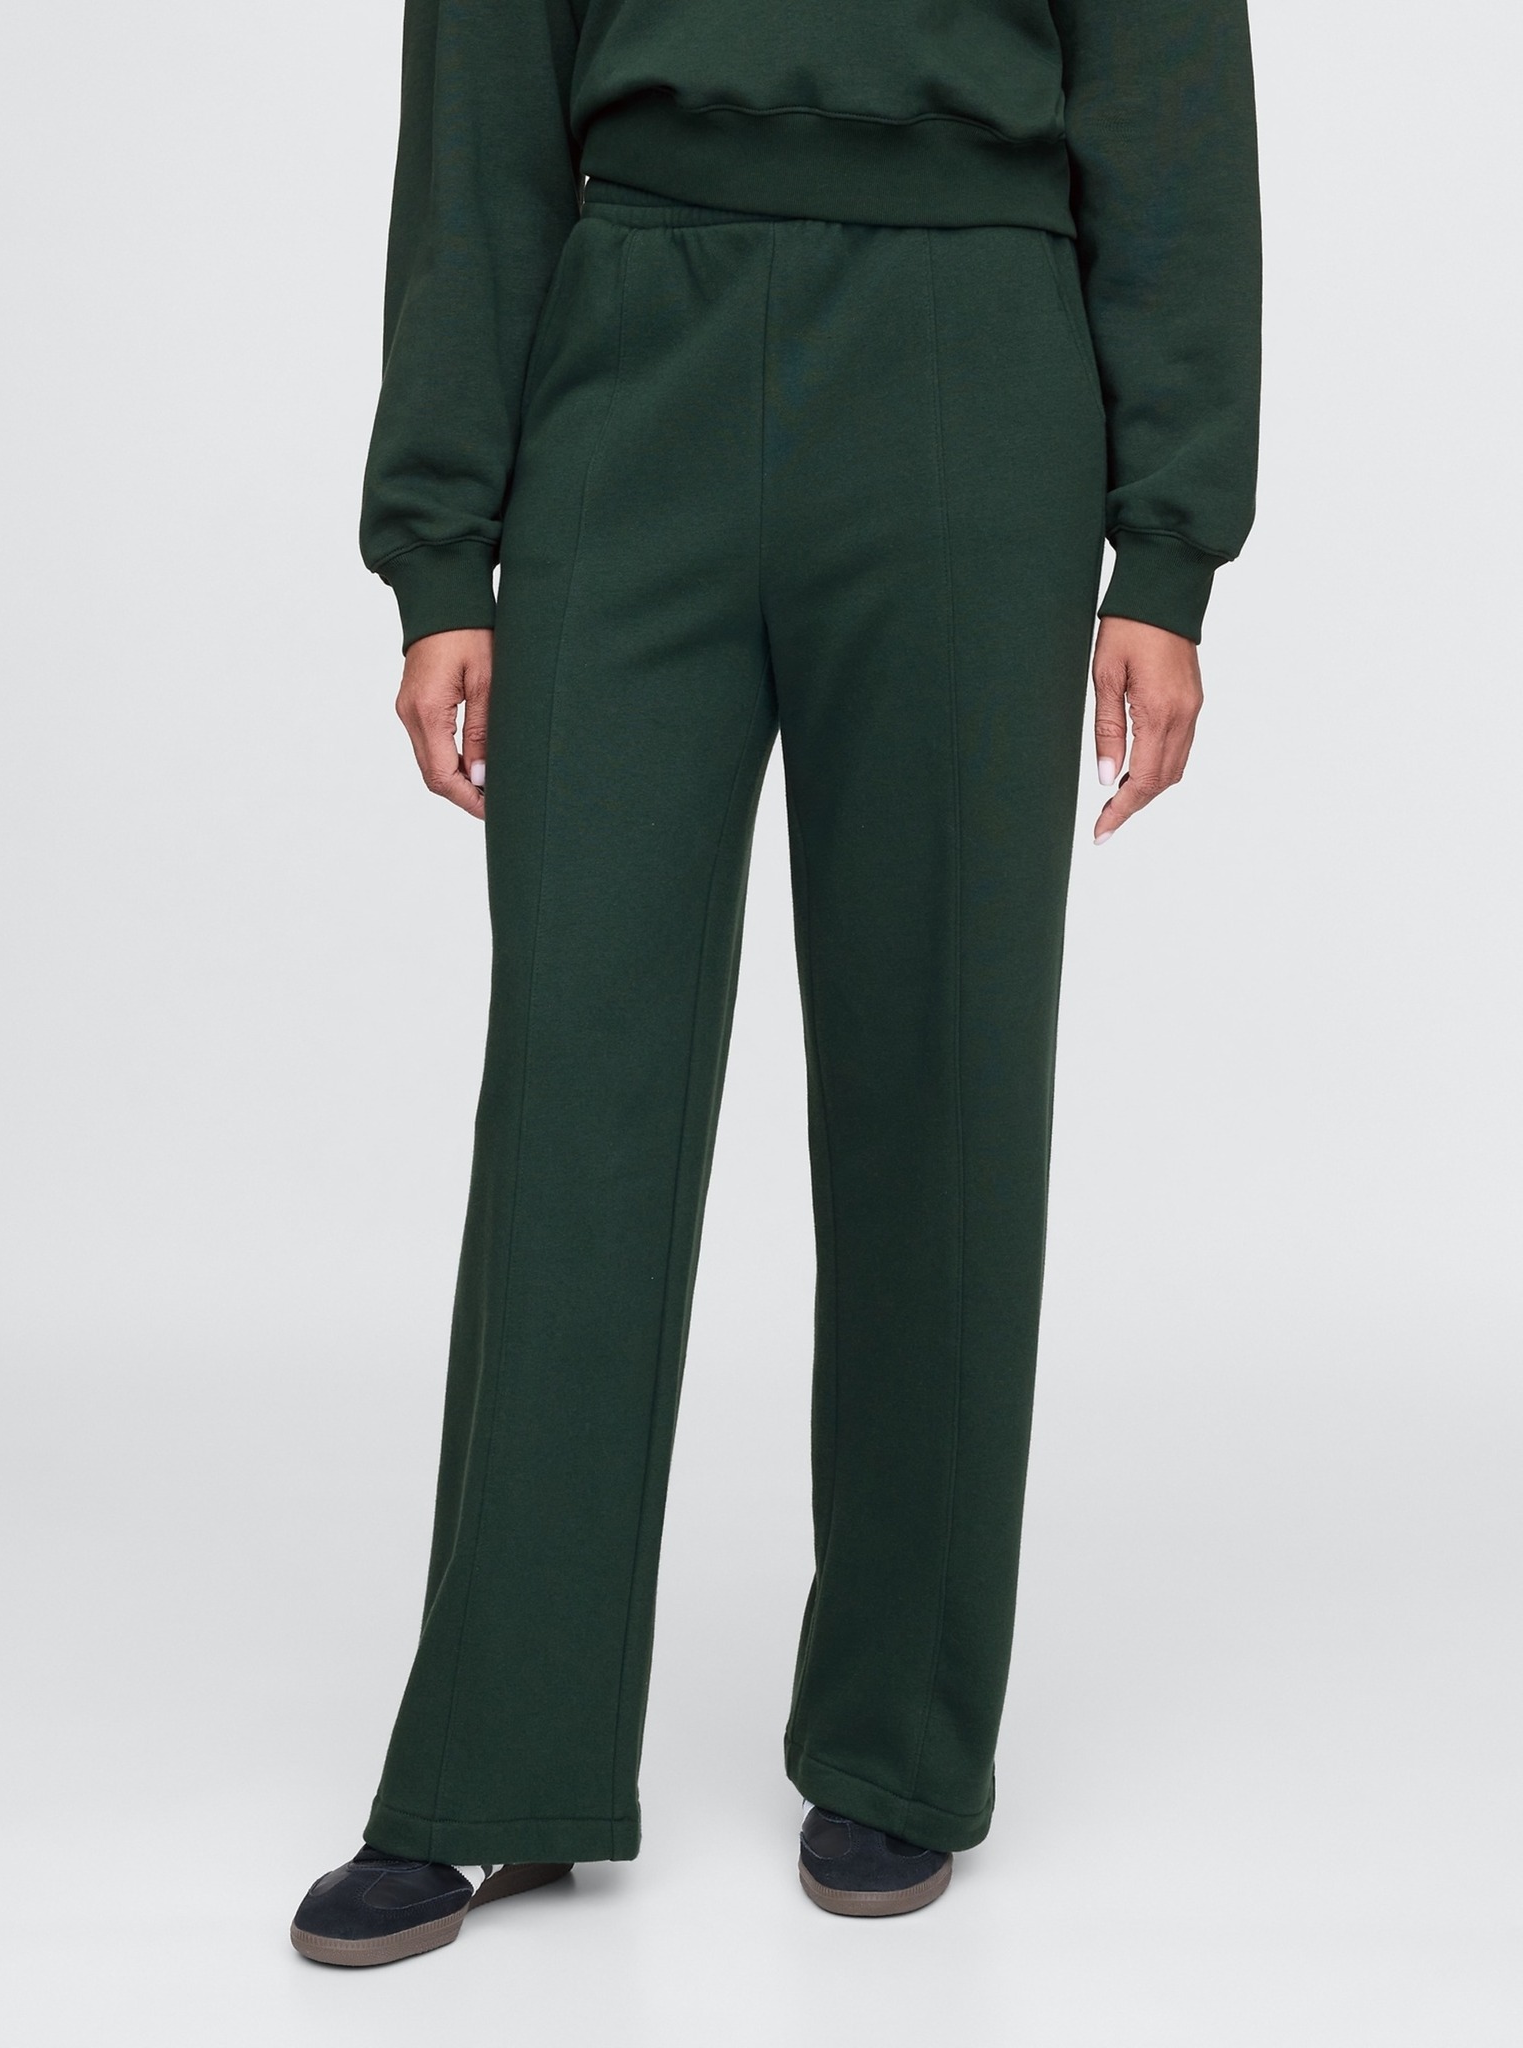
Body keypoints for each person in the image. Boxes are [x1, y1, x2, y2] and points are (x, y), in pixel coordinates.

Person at [290, 0, 1260, 1967]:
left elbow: (1172, 114)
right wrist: (441, 551)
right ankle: (494, 1766)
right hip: (629, 355)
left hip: (977, 366)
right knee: (575, 1088)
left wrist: (1166, 551)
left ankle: (900, 1743)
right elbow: (476, 124)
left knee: (941, 1082)